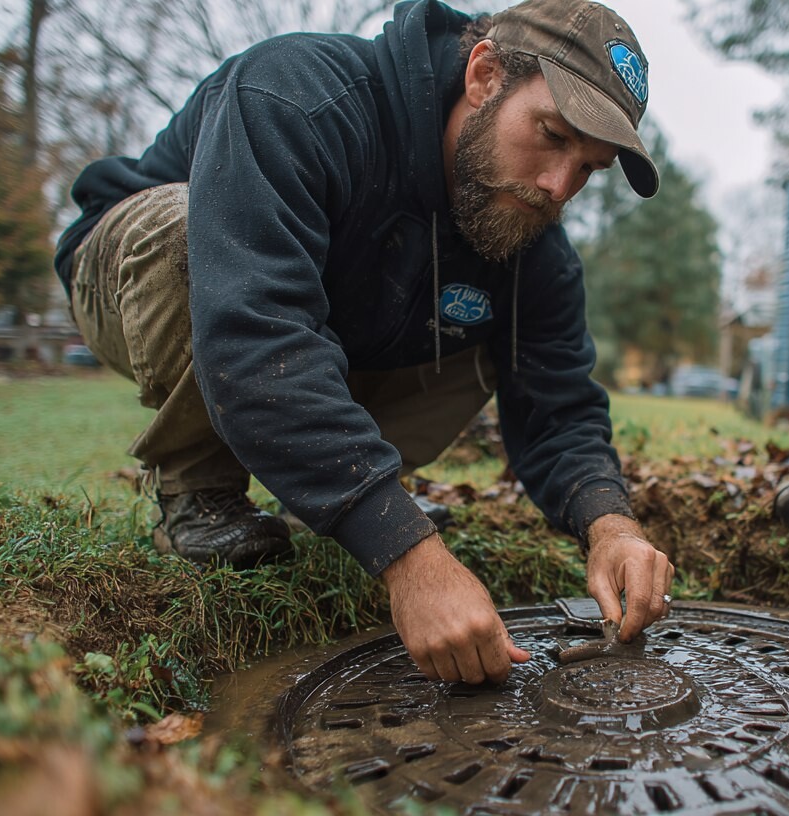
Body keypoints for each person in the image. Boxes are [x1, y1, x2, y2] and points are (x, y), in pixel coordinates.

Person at [54, 0, 674, 686]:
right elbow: (255, 330)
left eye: (589, 168)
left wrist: (610, 524)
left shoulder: (532, 237)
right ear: (485, 74)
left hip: (341, 333)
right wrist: (409, 555)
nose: (560, 186)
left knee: (489, 321)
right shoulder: (297, 96)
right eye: (553, 136)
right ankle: (199, 490)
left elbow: (557, 400)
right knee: (191, 235)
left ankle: (319, 493)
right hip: (134, 273)